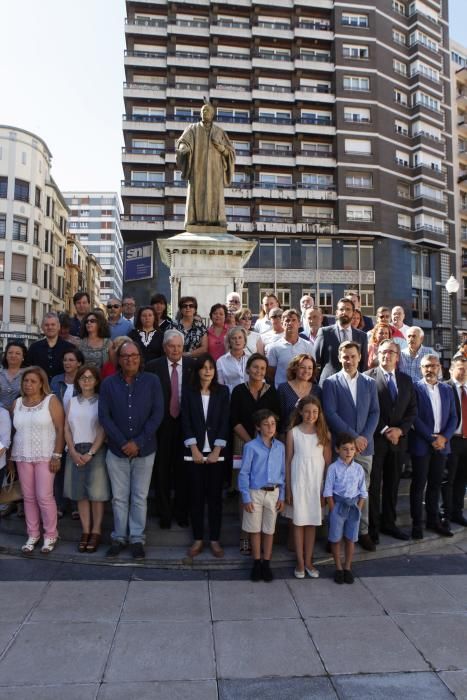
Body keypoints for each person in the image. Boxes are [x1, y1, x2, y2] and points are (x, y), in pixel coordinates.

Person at [99, 341, 164, 559]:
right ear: (118, 359)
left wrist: (137, 442)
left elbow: (157, 414)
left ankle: (137, 538)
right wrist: (122, 442)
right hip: (116, 451)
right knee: (119, 497)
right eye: (125, 356)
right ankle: (119, 537)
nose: (130, 359)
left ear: (140, 357)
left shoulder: (152, 381)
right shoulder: (108, 384)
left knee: (139, 496)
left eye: (134, 355)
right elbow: (104, 417)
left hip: (145, 449)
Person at [322, 341, 379, 551]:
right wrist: (354, 437)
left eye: (353, 356)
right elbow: (330, 413)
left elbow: (375, 412)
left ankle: (361, 532)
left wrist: (363, 437)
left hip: (365, 447)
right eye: (345, 356)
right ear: (339, 357)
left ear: (359, 357)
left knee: (361, 490)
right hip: (342, 448)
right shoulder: (330, 383)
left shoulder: (369, 382)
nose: (349, 360)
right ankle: (334, 535)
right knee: (337, 491)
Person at [365, 340, 417, 542]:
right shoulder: (368, 377)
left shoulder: (406, 380)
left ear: (398, 356)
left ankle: (389, 523)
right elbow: (367, 410)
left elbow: (412, 410)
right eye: (383, 352)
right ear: (378, 354)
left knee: (393, 484)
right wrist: (386, 430)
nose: (387, 355)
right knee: (375, 485)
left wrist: (400, 430)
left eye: (391, 352)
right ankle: (373, 528)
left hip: (398, 442)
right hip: (377, 440)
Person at [10, 367, 65, 554]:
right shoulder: (16, 403)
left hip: (46, 456)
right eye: (26, 381)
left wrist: (57, 455)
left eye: (33, 381)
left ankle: (50, 534)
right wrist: (10, 460)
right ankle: (32, 533)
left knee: (44, 496)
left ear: (42, 383)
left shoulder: (51, 400)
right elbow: (12, 431)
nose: (28, 384)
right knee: (28, 497)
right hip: (22, 455)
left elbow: (60, 429)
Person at [145, 329, 197, 528]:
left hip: (186, 426)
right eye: (171, 346)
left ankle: (182, 513)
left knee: (184, 471)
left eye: (178, 346)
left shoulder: (193, 365)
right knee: (162, 471)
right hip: (162, 425)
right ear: (165, 347)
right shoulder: (152, 367)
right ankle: (164, 514)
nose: (175, 350)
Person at [231, 353, 280, 554]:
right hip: (242, 444)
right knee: (245, 490)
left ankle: (261, 538)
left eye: (262, 368)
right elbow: (233, 420)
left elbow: (277, 419)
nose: (259, 371)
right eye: (255, 367)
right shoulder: (238, 391)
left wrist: (261, 444)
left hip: (267, 447)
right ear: (248, 369)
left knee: (260, 488)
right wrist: (252, 444)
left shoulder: (272, 392)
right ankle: (245, 536)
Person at [181, 353, 230, 558]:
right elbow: (186, 421)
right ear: (198, 370)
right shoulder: (189, 392)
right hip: (195, 454)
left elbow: (225, 421)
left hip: (216, 455)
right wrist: (193, 448)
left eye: (211, 367)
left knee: (215, 498)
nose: (208, 370)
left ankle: (215, 540)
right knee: (196, 496)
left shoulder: (223, 392)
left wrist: (217, 449)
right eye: (204, 367)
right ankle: (198, 539)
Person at [409, 354, 457, 540]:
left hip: (442, 444)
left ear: (440, 368)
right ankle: (416, 524)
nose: (431, 369)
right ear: (421, 368)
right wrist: (431, 438)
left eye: (434, 366)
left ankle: (433, 520)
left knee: (436, 484)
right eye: (427, 366)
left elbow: (454, 417)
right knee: (419, 485)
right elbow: (413, 416)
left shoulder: (447, 389)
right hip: (422, 443)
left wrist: (444, 437)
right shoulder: (414, 388)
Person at [64, 365, 109, 554]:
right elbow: (66, 427)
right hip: (75, 449)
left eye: (90, 378)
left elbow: (102, 428)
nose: (87, 381)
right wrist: (72, 451)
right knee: (80, 494)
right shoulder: (72, 401)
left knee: (97, 495)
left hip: (95, 450)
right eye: (83, 378)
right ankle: (85, 531)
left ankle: (96, 532)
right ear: (78, 381)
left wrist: (91, 452)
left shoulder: (102, 401)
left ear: (97, 381)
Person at [285, 396, 332, 579]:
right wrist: (288, 489)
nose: (310, 415)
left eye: (314, 411)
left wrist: (325, 491)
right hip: (298, 482)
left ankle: (309, 560)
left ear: (319, 413)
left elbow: (328, 464)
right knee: (298, 522)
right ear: (300, 412)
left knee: (312, 522)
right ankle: (300, 562)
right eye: (306, 411)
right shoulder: (293, 433)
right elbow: (288, 461)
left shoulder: (324, 434)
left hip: (315, 483)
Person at [239, 409, 285, 583]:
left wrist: (282, 496)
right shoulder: (250, 447)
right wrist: (246, 497)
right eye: (266, 424)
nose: (270, 427)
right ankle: (256, 562)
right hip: (255, 493)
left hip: (273, 493)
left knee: (269, 530)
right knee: (255, 529)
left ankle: (267, 562)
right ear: (258, 427)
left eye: (273, 423)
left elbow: (283, 473)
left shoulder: (280, 447)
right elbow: (244, 473)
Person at [176, 101, 235, 229]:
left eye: (207, 110)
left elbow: (231, 152)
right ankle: (194, 220)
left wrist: (222, 149)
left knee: (215, 195)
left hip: (215, 171)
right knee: (196, 193)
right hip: (198, 169)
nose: (205, 112)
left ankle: (217, 221)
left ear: (213, 114)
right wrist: (183, 148)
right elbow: (183, 141)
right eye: (203, 111)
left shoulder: (219, 131)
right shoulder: (193, 129)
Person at [323, 433, 368, 584]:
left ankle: (347, 567)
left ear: (356, 450)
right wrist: (333, 508)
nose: (348, 452)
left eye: (351, 449)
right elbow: (328, 490)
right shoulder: (333, 468)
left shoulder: (359, 469)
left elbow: (363, 491)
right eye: (345, 449)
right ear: (337, 450)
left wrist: (359, 508)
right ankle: (338, 568)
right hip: (338, 506)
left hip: (353, 507)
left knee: (350, 539)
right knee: (336, 539)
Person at [50, 348, 85, 518]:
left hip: (78, 429)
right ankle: (60, 504)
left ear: (79, 362)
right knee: (59, 468)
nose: (67, 363)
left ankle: (76, 505)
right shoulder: (56, 380)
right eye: (65, 360)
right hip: (57, 429)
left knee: (76, 468)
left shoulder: (85, 380)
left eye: (71, 360)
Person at [314, 298, 368, 386]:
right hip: (329, 384)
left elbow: (363, 364)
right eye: (341, 309)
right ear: (336, 313)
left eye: (348, 309)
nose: (344, 312)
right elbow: (316, 362)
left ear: (353, 313)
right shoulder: (324, 332)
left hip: (353, 384)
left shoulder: (362, 336)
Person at [441, 356, 467, 529]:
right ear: (451, 370)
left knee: (462, 479)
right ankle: (446, 514)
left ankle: (457, 512)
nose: (463, 371)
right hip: (452, 440)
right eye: (460, 367)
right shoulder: (445, 388)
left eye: (466, 368)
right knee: (448, 478)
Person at [267, 309, 314, 388]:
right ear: (282, 324)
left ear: (299, 324)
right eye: (287, 320)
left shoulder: (308, 346)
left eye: (294, 320)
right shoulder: (274, 347)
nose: (290, 323)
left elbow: (312, 368)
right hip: (281, 391)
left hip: (303, 391)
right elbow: (271, 372)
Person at [277, 353, 322, 431]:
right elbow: (278, 416)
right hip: (288, 433)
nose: (306, 371)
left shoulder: (317, 390)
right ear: (295, 369)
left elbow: (320, 417)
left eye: (310, 368)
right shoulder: (283, 388)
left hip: (311, 435)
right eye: (302, 367)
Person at [26, 312, 74, 380]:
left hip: (62, 388)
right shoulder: (34, 348)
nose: (50, 327)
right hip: (39, 389)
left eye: (53, 324)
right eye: (46, 325)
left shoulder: (70, 348)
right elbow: (28, 370)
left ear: (58, 326)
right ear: (42, 327)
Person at [216, 326, 249, 394]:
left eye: (240, 337)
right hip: (230, 398)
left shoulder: (251, 358)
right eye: (234, 338)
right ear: (229, 342)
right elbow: (220, 385)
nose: (237, 341)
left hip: (250, 398)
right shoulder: (221, 361)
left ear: (245, 340)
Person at [0, 341, 27, 410]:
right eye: (10, 353)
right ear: (6, 355)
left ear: (23, 357)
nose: (13, 355)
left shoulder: (28, 374)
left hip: (21, 414)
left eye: (17, 353)